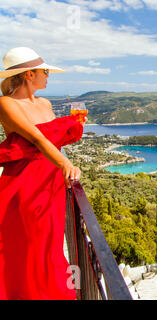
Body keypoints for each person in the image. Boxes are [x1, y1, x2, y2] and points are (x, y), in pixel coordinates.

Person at [0, 47, 87, 299]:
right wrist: (66, 165)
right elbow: (37, 139)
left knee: (49, 244)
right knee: (29, 243)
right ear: (29, 74)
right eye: (45, 71)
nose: (48, 75)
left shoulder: (46, 103)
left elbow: (53, 140)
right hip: (25, 184)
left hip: (52, 182)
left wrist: (74, 128)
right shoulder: (6, 103)